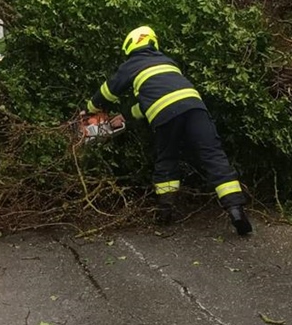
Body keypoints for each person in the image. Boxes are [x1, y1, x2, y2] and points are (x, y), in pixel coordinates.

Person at [83, 25, 252, 235]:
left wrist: (89, 110)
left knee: (167, 158)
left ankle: (165, 211)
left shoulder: (132, 64)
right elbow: (150, 102)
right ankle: (236, 210)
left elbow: (107, 92)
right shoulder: (168, 62)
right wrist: (125, 117)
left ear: (130, 45)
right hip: (194, 107)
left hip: (165, 114)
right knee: (213, 156)